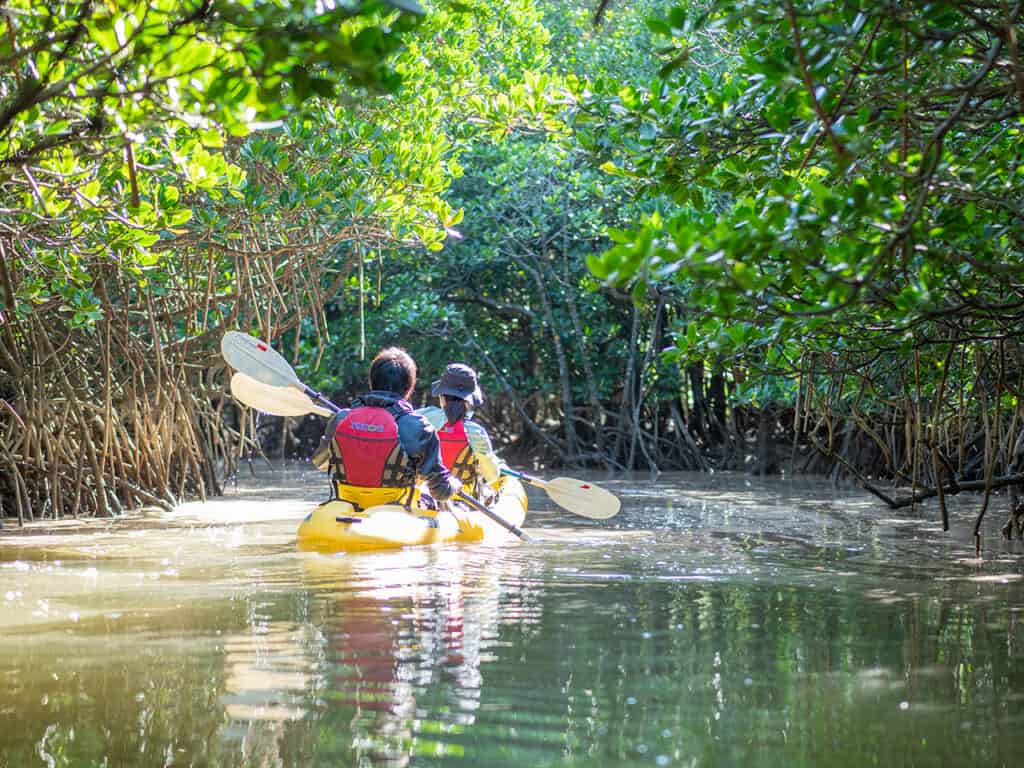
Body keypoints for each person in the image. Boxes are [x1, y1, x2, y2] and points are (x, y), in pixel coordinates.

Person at [312, 347, 461, 510]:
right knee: (428, 493)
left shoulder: (341, 418)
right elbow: (441, 491)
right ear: (409, 387)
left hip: (348, 505)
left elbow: (321, 462)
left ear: (372, 382)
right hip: (397, 509)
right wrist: (455, 484)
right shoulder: (419, 426)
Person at [417, 363, 508, 499]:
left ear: (441, 397)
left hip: (425, 496)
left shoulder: (420, 418)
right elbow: (492, 476)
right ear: (469, 401)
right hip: (462, 498)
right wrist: (497, 467)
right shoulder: (475, 432)